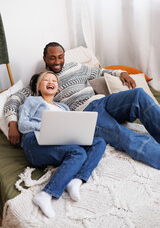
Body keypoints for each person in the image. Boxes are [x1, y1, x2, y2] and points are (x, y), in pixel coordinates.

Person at [4, 42, 160, 169]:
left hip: (102, 101)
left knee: (138, 95)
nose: (57, 62)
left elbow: (100, 72)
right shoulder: (41, 81)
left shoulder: (76, 67)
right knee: (125, 135)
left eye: (60, 57)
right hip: (85, 114)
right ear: (44, 58)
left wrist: (121, 73)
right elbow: (14, 98)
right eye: (52, 58)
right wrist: (12, 124)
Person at [18, 71, 106, 218]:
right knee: (78, 153)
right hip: (35, 143)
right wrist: (46, 126)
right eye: (46, 80)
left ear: (58, 88)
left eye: (54, 80)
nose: (51, 82)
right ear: (39, 87)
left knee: (99, 142)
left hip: (59, 141)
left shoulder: (63, 108)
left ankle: (76, 180)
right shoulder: (31, 101)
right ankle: (46, 194)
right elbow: (22, 125)